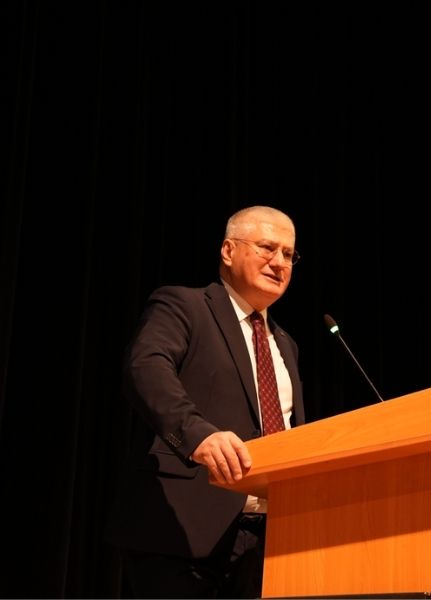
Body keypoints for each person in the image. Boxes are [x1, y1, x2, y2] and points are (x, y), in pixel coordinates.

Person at [106, 206, 306, 598]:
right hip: (181, 533)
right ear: (228, 251)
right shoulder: (184, 305)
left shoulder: (287, 345)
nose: (280, 262)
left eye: (289, 254)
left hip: (268, 543)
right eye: (268, 247)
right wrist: (197, 435)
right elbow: (145, 367)